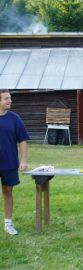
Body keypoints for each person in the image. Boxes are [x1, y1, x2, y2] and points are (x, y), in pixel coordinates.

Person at [0, 89, 29, 235]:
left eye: (10, 98)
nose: (10, 101)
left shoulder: (14, 118)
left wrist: (23, 160)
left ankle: (8, 223)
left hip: (9, 162)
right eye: (6, 99)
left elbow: (22, 139)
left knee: (8, 191)